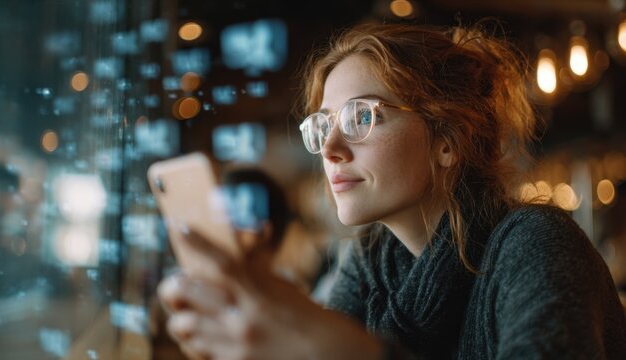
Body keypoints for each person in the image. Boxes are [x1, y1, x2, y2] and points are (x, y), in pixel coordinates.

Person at [157, 21, 626, 359]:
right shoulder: (371, 263)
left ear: (446, 140)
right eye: (322, 126)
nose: (331, 149)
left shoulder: (535, 242)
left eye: (362, 117)